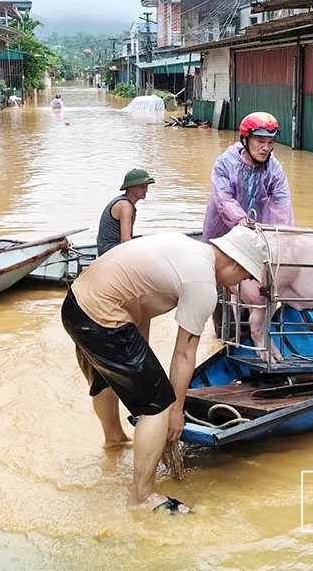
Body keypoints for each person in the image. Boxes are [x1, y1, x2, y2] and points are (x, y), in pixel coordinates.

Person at [60, 227, 267, 514]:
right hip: (102, 318)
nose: (236, 286)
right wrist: (175, 411)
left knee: (106, 379)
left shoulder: (184, 246)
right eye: (242, 277)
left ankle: (114, 440)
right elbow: (184, 354)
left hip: (75, 305)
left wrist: (141, 366)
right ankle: (141, 497)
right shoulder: (203, 284)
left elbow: (139, 302)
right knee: (157, 404)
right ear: (234, 262)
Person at [202, 112, 294, 242]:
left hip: (258, 232)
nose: (266, 148)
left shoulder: (274, 168)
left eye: (270, 142)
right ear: (245, 139)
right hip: (223, 232)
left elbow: (282, 203)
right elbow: (224, 199)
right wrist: (241, 219)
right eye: (260, 141)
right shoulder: (224, 163)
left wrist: (283, 235)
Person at [97, 168, 154, 256]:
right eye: (142, 186)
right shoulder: (125, 206)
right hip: (108, 252)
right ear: (131, 187)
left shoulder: (126, 203)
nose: (146, 190)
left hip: (108, 248)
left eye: (146, 186)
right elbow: (125, 240)